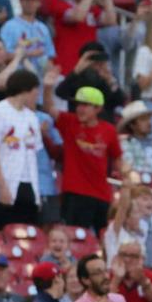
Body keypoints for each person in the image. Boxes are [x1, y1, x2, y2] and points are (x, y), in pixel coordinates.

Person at [41, 82, 125, 233]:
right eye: (78, 104)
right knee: (74, 238)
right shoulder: (69, 122)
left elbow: (117, 158)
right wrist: (48, 86)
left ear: (98, 108)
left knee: (102, 239)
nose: (80, 108)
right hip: (74, 193)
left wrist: (125, 179)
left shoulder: (109, 130)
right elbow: (49, 108)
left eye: (86, 105)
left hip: (102, 195)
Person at [0, 69, 42, 228]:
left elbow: (34, 153)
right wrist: (2, 185)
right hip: (4, 184)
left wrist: (37, 193)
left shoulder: (32, 117)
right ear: (27, 89)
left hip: (28, 185)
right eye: (36, 91)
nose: (37, 95)